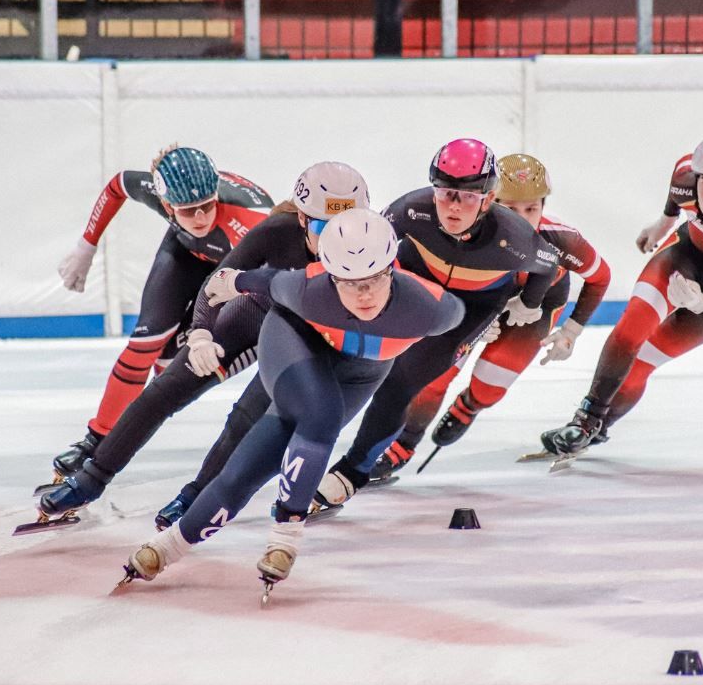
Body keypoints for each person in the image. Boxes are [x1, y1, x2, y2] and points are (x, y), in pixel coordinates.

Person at [116, 209, 464, 595]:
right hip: (294, 339)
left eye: (374, 279)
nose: (363, 293)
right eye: (349, 282)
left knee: (256, 461)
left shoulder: (432, 309)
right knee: (322, 416)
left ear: (392, 270)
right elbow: (271, 281)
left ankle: (167, 546)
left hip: (362, 371)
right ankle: (286, 533)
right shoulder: (310, 291)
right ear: (330, 275)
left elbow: (465, 317)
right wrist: (234, 284)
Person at [31, 163, 370, 527]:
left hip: (308, 340)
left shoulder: (376, 243)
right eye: (325, 227)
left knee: (246, 419)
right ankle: (90, 479)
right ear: (302, 219)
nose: (339, 240)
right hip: (260, 311)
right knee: (164, 391)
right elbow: (217, 281)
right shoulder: (274, 231)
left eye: (348, 228)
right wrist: (201, 333)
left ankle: (197, 496)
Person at [311, 139, 562, 510]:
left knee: (402, 381)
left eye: (467, 197)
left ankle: (352, 473)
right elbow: (367, 243)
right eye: (445, 193)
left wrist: (528, 303)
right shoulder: (410, 210)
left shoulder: (515, 236)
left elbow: (549, 265)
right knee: (354, 360)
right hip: (416, 285)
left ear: (489, 200)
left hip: (472, 308)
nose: (454, 206)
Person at [371, 153, 612, 477]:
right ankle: (403, 445)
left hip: (533, 307)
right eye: (510, 209)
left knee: (492, 382)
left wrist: (572, 329)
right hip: (472, 302)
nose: (522, 221)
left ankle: (469, 405)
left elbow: (600, 276)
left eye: (532, 209)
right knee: (433, 376)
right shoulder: (463, 229)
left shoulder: (559, 238)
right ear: (488, 203)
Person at [540, 133, 703, 454]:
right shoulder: (684, 176)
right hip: (684, 257)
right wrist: (663, 224)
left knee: (643, 362)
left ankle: (600, 428)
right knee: (631, 328)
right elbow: (675, 197)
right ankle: (584, 420)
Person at [48, 145, 272, 481]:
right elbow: (117, 185)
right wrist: (87, 245)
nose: (200, 218)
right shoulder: (155, 191)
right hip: (184, 255)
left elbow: (274, 276)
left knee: (173, 370)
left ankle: (128, 432)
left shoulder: (252, 221)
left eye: (207, 206)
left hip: (232, 274)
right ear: (166, 205)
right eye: (187, 211)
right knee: (144, 345)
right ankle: (95, 440)